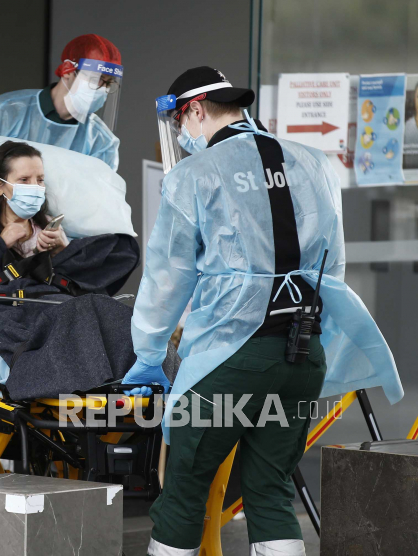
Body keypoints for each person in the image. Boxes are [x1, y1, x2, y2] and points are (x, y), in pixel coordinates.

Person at [126, 67, 402, 556]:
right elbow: (331, 267)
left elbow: (168, 277)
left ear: (193, 110)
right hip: (303, 355)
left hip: (231, 358)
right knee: (269, 489)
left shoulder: (194, 174)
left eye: (180, 122)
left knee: (185, 489)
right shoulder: (315, 162)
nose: (183, 135)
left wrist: (148, 351)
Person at [0, 34, 122, 171]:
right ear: (67, 71)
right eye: (95, 79)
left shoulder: (101, 142)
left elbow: (98, 201)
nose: (102, 89)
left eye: (108, 83)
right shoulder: (4, 113)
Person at [0, 140, 68, 257]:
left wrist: (63, 249)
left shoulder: (50, 229)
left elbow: (76, 273)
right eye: (24, 180)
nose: (35, 187)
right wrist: (0, 244)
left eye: (40, 180)